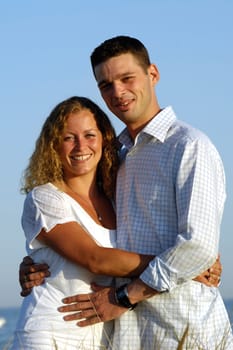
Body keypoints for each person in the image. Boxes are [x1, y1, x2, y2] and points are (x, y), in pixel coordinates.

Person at [54, 36, 233, 349]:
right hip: (127, 336)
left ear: (153, 74)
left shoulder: (189, 146)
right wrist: (38, 263)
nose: (117, 92)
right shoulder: (112, 157)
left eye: (127, 78)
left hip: (184, 330)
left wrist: (124, 297)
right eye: (106, 84)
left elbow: (197, 247)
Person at [11, 95, 158, 349]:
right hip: (50, 332)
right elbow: (95, 259)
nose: (81, 146)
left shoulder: (117, 199)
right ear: (54, 146)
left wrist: (191, 258)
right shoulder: (45, 198)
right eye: (69, 138)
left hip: (103, 335)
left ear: (104, 139)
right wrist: (177, 267)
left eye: (90, 135)